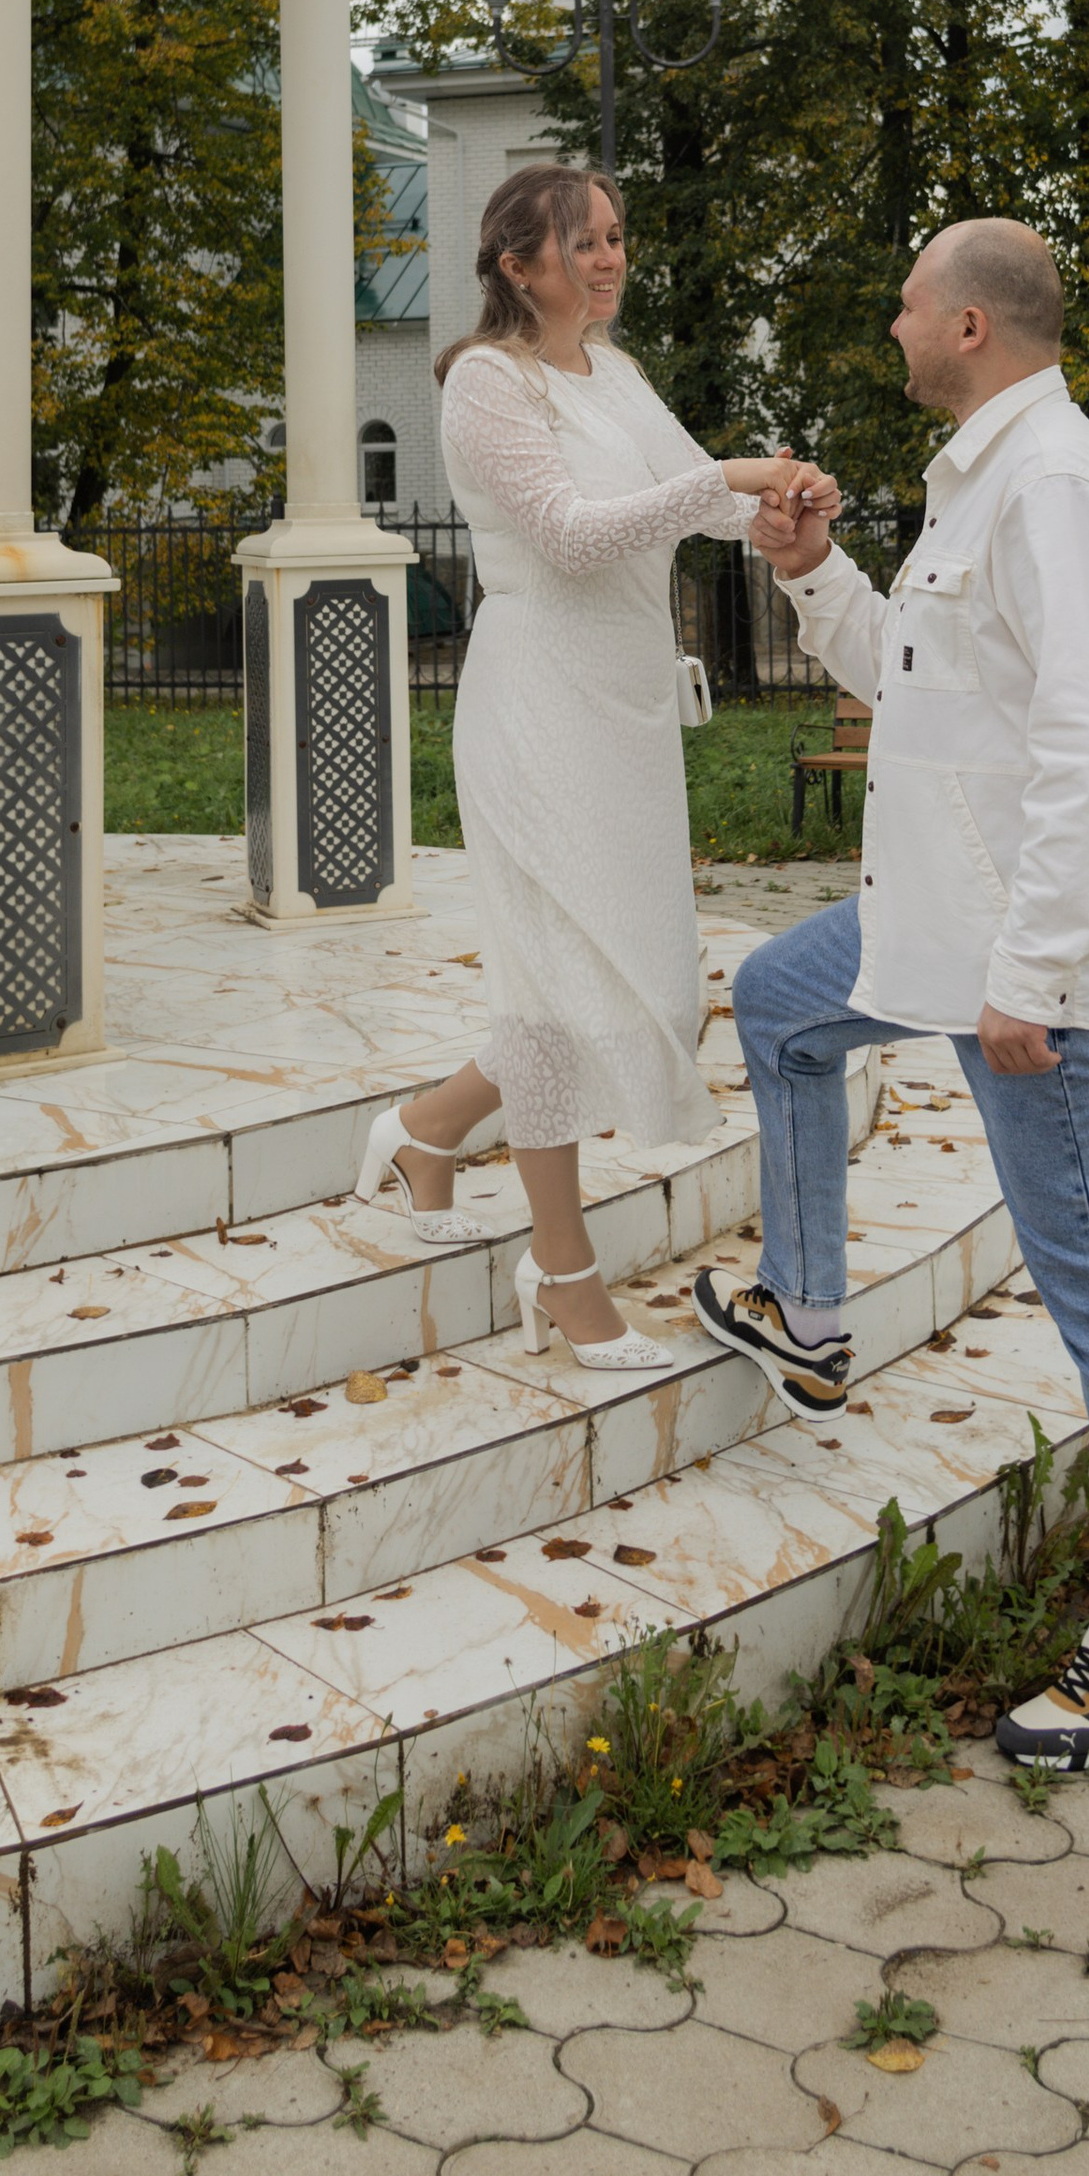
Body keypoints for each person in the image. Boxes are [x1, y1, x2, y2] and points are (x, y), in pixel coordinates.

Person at [692, 218, 1089, 1772]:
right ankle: (809, 1310)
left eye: (910, 302)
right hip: (934, 925)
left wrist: (1034, 977)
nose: (895, 323)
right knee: (780, 1006)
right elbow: (916, 685)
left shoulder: (1055, 490)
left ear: (971, 325)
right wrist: (814, 572)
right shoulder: (980, 483)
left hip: (1031, 972)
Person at [351, 162, 824, 1370]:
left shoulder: (613, 373)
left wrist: (774, 507)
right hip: (537, 704)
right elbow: (567, 536)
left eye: (615, 237)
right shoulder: (484, 384)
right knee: (553, 983)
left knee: (620, 976)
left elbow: (698, 504)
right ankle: (561, 1272)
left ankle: (427, 1131)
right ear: (519, 266)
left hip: (624, 709)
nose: (610, 260)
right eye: (584, 243)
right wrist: (722, 479)